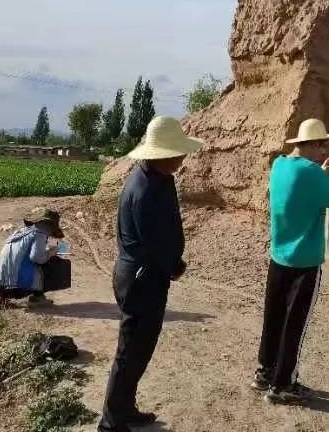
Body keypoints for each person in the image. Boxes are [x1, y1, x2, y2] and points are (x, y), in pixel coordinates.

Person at [98, 116, 204, 432]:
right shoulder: (144, 190)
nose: (183, 157)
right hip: (142, 279)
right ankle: (111, 423)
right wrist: (172, 265)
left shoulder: (157, 178)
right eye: (178, 152)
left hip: (147, 276)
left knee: (140, 349)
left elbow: (163, 236)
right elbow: (150, 245)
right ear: (162, 154)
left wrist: (173, 261)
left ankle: (124, 409)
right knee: (129, 353)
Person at [252, 118, 329, 404]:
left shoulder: (280, 165)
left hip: (279, 257)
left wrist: (321, 174)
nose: (325, 150)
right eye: (322, 144)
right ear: (311, 145)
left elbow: (301, 189)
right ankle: (283, 385)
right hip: (304, 263)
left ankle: (265, 373)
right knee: (294, 325)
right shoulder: (312, 174)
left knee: (273, 318)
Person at [0, 209, 66, 310]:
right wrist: (50, 253)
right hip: (18, 287)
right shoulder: (40, 234)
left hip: (1, 286)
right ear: (50, 226)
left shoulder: (19, 232)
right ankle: (38, 297)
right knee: (52, 261)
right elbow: (36, 257)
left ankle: (2, 299)